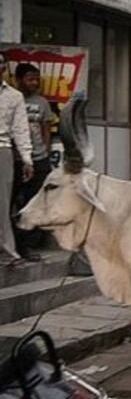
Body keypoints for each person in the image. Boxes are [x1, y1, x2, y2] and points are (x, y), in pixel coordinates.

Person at [14, 64, 52, 259]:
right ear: (19, 79)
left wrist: (44, 151)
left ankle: (27, 244)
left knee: (36, 200)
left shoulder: (41, 103)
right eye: (30, 79)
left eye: (37, 79)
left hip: (38, 159)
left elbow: (46, 128)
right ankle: (10, 243)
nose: (34, 83)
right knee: (12, 201)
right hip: (15, 159)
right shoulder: (12, 98)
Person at [0, 54, 34, 268]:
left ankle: (7, 252)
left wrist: (27, 159)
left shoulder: (13, 96)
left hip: (2, 149)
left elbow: (21, 130)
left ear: (4, 69)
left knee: (2, 204)